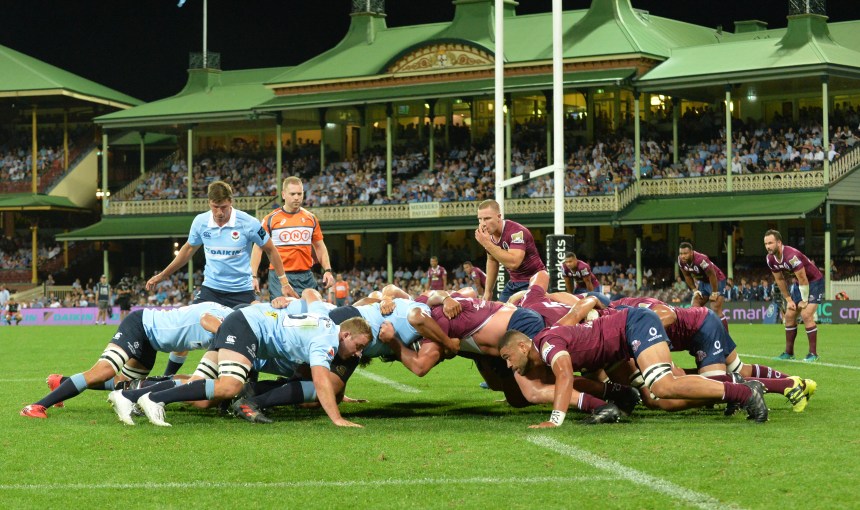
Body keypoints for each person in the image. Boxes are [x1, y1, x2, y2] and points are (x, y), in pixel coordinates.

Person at [498, 306, 770, 427]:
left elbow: (566, 374)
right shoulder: (550, 341)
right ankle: (737, 386)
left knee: (664, 385)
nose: (508, 365)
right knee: (656, 399)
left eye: (508, 357)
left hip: (633, 326)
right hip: (617, 346)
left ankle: (745, 393)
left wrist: (555, 420)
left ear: (523, 346)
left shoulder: (545, 343)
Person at [128, 307, 372, 428]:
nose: (359, 354)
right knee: (229, 386)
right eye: (359, 346)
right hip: (248, 329)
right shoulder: (327, 341)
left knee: (209, 395)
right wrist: (338, 419)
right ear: (346, 334)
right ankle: (155, 397)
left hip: (251, 329)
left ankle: (135, 394)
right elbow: (321, 381)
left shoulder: (325, 323)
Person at [146, 180, 290, 376]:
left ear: (231, 202)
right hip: (211, 290)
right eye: (215, 207)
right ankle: (167, 377)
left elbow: (271, 250)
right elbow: (187, 250)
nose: (219, 212)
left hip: (241, 292)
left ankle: (248, 388)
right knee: (186, 335)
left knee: (247, 338)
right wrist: (162, 275)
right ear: (209, 203)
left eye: (223, 207)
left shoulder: (249, 223)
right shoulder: (200, 222)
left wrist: (284, 282)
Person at [19, 301, 232, 419]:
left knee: (123, 384)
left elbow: (181, 348)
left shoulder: (229, 317)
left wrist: (168, 374)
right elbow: (205, 321)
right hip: (140, 326)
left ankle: (60, 383)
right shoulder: (226, 324)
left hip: (151, 341)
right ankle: (36, 406)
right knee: (104, 371)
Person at [252, 176, 335, 298]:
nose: (296, 197)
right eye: (292, 194)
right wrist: (253, 276)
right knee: (283, 312)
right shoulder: (270, 219)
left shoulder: (311, 218)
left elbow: (320, 247)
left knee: (313, 312)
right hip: (279, 276)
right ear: (283, 194)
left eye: (299, 194)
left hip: (306, 275)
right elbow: (257, 248)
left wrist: (327, 270)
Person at [765, 229, 824, 362]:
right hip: (799, 284)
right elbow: (779, 279)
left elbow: (803, 278)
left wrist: (804, 300)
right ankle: (789, 353)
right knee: (789, 315)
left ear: (779, 243)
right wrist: (788, 299)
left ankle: (813, 354)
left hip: (814, 282)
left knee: (806, 314)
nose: (768, 246)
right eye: (766, 244)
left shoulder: (791, 256)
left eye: (770, 243)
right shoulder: (770, 259)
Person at [474, 199, 546, 302]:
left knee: (524, 314)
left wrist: (487, 244)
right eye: (480, 219)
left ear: (499, 217)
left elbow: (514, 263)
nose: (482, 224)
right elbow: (492, 261)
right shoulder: (489, 236)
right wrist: (488, 291)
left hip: (534, 281)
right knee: (498, 314)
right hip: (514, 282)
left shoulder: (517, 232)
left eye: (487, 218)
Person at [678, 242, 729, 330]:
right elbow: (687, 276)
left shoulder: (701, 259)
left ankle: (725, 337)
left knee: (715, 308)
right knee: (695, 307)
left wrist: (714, 292)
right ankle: (699, 335)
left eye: (685, 253)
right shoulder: (680, 260)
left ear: (691, 252)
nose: (683, 256)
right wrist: (694, 290)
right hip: (703, 282)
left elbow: (712, 275)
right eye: (681, 253)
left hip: (717, 280)